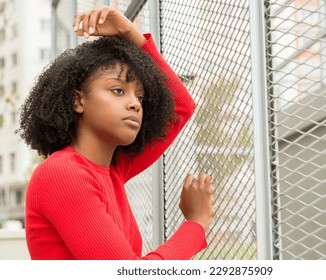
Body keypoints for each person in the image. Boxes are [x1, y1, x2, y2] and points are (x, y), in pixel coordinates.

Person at [18, 6, 213, 260]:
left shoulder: (113, 170)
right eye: (118, 90)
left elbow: (179, 106)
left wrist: (129, 32)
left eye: (139, 96)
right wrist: (195, 224)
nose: (135, 104)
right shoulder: (62, 174)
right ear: (78, 101)